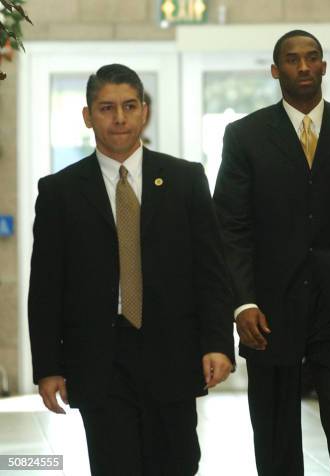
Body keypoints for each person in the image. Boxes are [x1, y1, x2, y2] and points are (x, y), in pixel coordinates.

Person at [28, 63, 235, 476]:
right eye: (106, 108)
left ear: (145, 111)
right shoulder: (59, 192)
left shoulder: (185, 180)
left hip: (173, 354)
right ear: (88, 116)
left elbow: (211, 271)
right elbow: (46, 288)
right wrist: (48, 366)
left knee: (177, 464)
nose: (118, 118)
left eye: (128, 106)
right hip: (98, 360)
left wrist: (218, 342)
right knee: (115, 465)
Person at [214, 30, 330, 476]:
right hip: (270, 310)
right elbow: (230, 227)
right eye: (293, 60)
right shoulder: (245, 136)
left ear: (324, 66)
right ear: (276, 71)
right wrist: (243, 301)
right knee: (274, 429)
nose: (304, 67)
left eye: (312, 57)